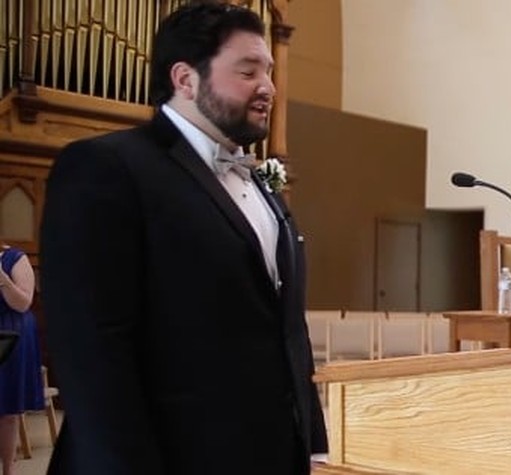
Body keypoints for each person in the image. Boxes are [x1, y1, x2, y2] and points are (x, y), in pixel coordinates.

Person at [39, 3, 327, 474]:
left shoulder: (259, 184)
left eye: (269, 72)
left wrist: (310, 443)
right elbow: (93, 350)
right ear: (186, 79)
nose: (268, 88)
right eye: (247, 70)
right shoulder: (108, 168)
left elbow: (286, 330)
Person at [0, 245, 43, 475]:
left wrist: (2, 278)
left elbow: (23, 303)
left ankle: (8, 469)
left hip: (11, 334)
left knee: (7, 408)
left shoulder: (14, 258)